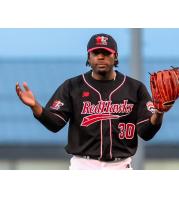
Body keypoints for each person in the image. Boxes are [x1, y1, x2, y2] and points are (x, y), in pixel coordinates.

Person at [16, 33, 164, 170]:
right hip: (82, 165)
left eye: (106, 53)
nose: (101, 57)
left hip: (121, 166)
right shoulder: (72, 86)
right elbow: (55, 123)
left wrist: (159, 113)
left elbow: (146, 133)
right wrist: (35, 106)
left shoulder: (134, 88)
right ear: (88, 56)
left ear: (115, 56)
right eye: (96, 53)